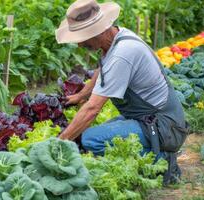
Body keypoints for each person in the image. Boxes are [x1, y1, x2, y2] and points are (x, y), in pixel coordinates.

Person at [55, 0, 189, 185]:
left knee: (90, 139)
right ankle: (156, 152)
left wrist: (58, 143)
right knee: (97, 133)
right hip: (152, 120)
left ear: (99, 31)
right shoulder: (117, 37)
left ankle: (161, 161)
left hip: (164, 127)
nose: (79, 45)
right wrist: (82, 94)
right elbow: (104, 67)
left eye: (82, 38)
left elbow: (92, 109)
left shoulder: (122, 54)